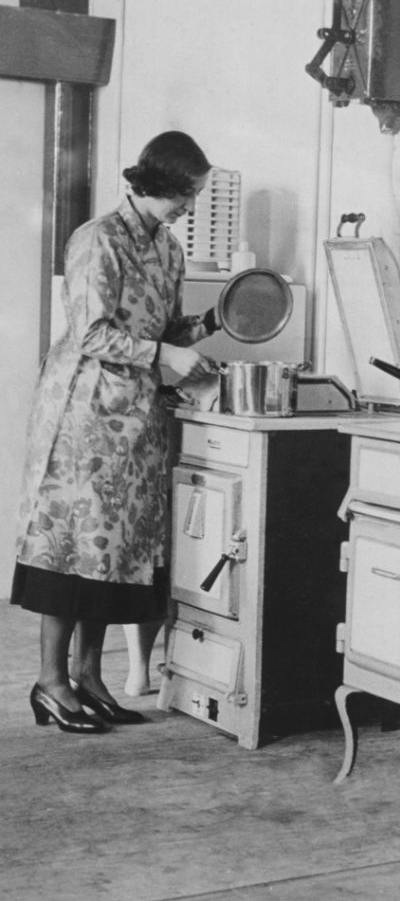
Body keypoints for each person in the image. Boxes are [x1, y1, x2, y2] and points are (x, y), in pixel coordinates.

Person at [11, 130, 220, 733]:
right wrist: (165, 357)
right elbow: (91, 334)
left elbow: (164, 330)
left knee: (115, 556)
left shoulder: (169, 250)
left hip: (137, 423)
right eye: (187, 193)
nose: (191, 206)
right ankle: (51, 682)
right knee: (73, 551)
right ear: (159, 183)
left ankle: (90, 677)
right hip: (84, 419)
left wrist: (207, 325)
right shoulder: (98, 238)